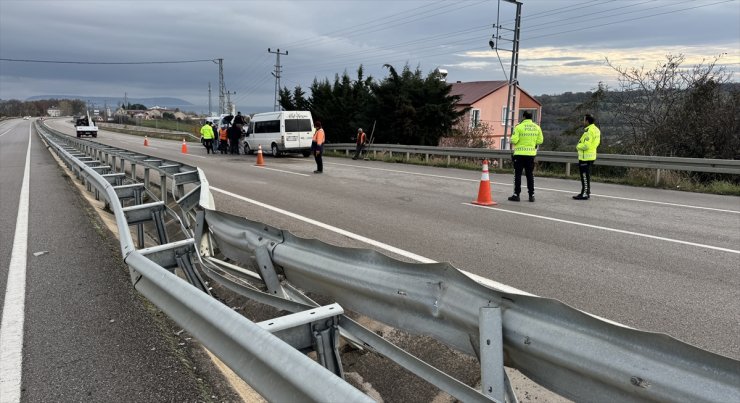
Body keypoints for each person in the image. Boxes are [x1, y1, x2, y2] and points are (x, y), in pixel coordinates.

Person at [508, 111, 543, 202]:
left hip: (519, 155)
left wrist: (513, 140)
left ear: (523, 117)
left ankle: (516, 195)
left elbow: (514, 140)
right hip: (531, 155)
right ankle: (531, 195)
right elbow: (540, 141)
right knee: (530, 175)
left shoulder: (519, 127)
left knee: (517, 175)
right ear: (531, 117)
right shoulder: (537, 127)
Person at [573, 114, 601, 200]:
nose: (583, 121)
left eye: (584, 120)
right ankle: (586, 192)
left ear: (587, 121)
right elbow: (597, 143)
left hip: (585, 157)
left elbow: (586, 145)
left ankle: (585, 193)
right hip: (591, 155)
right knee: (586, 175)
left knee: (584, 176)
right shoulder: (596, 129)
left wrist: (578, 146)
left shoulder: (589, 131)